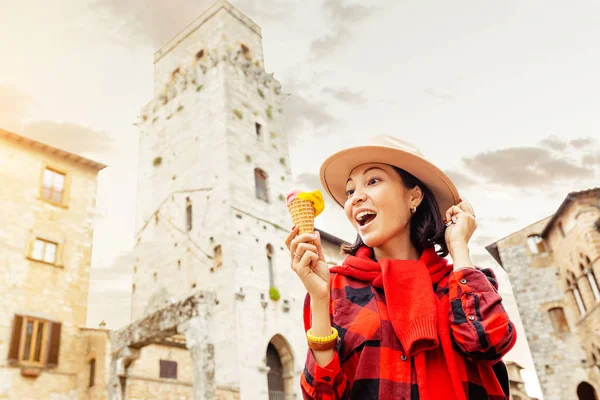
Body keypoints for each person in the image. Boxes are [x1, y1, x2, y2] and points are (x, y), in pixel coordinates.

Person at [285, 135, 517, 400]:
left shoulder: (463, 282)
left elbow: (489, 343)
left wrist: (459, 249)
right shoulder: (335, 287)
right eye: (350, 191)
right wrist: (319, 299)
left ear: (414, 196)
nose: (356, 198)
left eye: (373, 181)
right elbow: (322, 397)